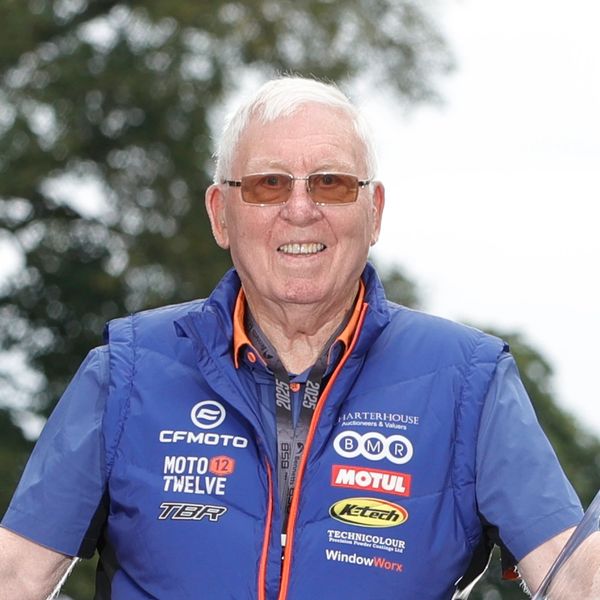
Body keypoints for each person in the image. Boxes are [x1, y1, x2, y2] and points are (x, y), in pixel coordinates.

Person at [0, 76, 592, 599]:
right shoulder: (126, 373)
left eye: (331, 183)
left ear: (375, 210)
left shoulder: (470, 381)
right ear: (221, 213)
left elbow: (574, 581)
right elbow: (15, 578)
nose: (301, 208)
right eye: (268, 184)